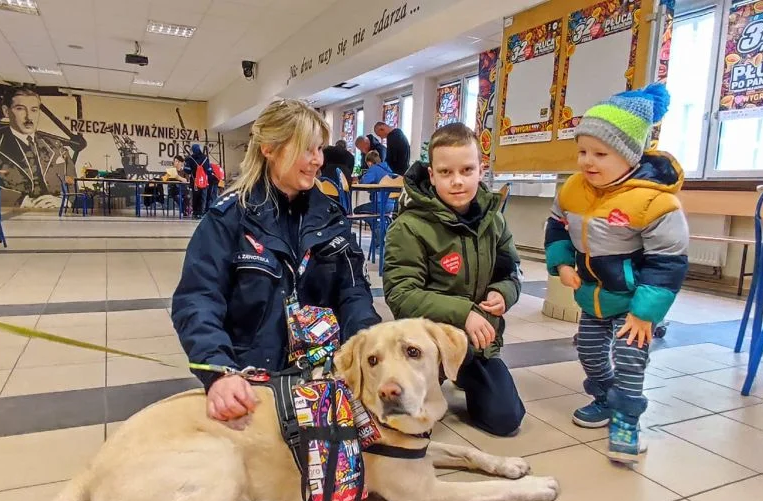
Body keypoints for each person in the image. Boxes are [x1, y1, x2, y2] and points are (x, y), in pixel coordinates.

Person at [171, 99, 381, 423]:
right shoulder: (227, 219)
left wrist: (370, 353)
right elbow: (197, 299)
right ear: (269, 148)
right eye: (307, 149)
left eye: (320, 149)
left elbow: (354, 294)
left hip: (324, 384)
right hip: (252, 387)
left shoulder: (332, 218)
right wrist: (219, 373)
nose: (318, 161)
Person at [544, 83, 689, 463]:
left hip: (635, 298)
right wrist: (561, 263)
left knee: (628, 353)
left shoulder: (656, 201)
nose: (587, 162)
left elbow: (668, 261)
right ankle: (606, 398)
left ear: (629, 155)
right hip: (595, 293)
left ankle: (626, 417)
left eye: (600, 153)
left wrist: (645, 312)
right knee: (590, 351)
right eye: (582, 152)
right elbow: (557, 226)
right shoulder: (574, 189)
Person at [382, 123, 525, 437]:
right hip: (425, 346)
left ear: (480, 170)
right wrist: (464, 313)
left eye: (467, 170)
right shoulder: (409, 227)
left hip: (477, 345)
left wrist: (504, 292)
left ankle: (465, 374)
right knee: (408, 427)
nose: (457, 181)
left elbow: (511, 271)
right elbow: (401, 294)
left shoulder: (494, 220)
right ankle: (431, 377)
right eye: (446, 172)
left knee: (506, 419)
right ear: (431, 175)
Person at [0, 87, 75, 208]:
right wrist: (21, 201)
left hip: (56, 215)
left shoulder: (56, 147)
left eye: (34, 110)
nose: (29, 117)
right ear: (6, 111)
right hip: (12, 216)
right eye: (20, 109)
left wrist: (64, 200)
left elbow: (71, 181)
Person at [183, 144, 219, 218]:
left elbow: (187, 171)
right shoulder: (205, 158)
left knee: (195, 197)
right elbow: (209, 171)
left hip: (194, 182)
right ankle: (201, 213)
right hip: (204, 182)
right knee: (203, 197)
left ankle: (195, 213)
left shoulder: (190, 159)